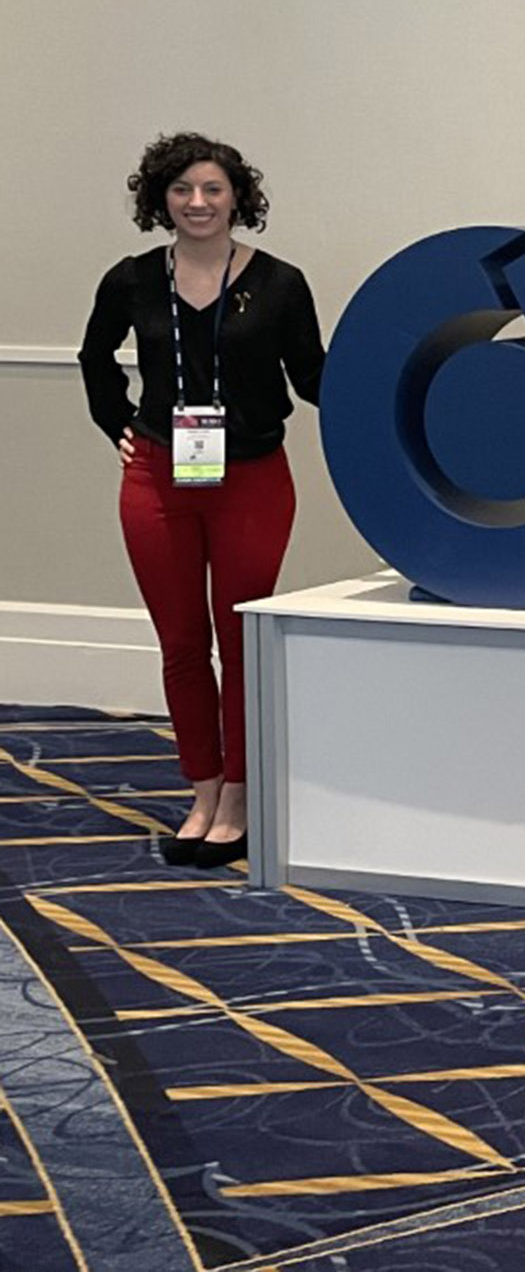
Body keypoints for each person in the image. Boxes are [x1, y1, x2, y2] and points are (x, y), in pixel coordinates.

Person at [77, 133, 324, 870]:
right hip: (158, 478)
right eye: (182, 190)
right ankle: (204, 788)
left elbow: (313, 377)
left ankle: (242, 795)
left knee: (240, 637)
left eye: (213, 189)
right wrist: (116, 424)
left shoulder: (280, 283)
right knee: (182, 643)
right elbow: (95, 358)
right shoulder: (131, 280)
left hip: (250, 478)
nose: (198, 202)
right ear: (162, 201)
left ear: (237, 198)